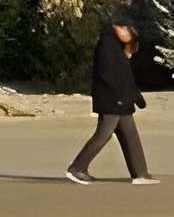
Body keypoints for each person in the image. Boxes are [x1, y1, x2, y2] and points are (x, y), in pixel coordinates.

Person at [64, 19, 158, 185]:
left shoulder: (116, 45)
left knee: (130, 134)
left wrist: (136, 96)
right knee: (104, 133)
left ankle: (140, 173)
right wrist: (120, 97)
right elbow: (107, 75)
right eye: (128, 31)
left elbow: (125, 76)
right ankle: (77, 168)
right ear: (118, 27)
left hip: (120, 99)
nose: (130, 35)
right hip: (113, 99)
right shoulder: (107, 44)